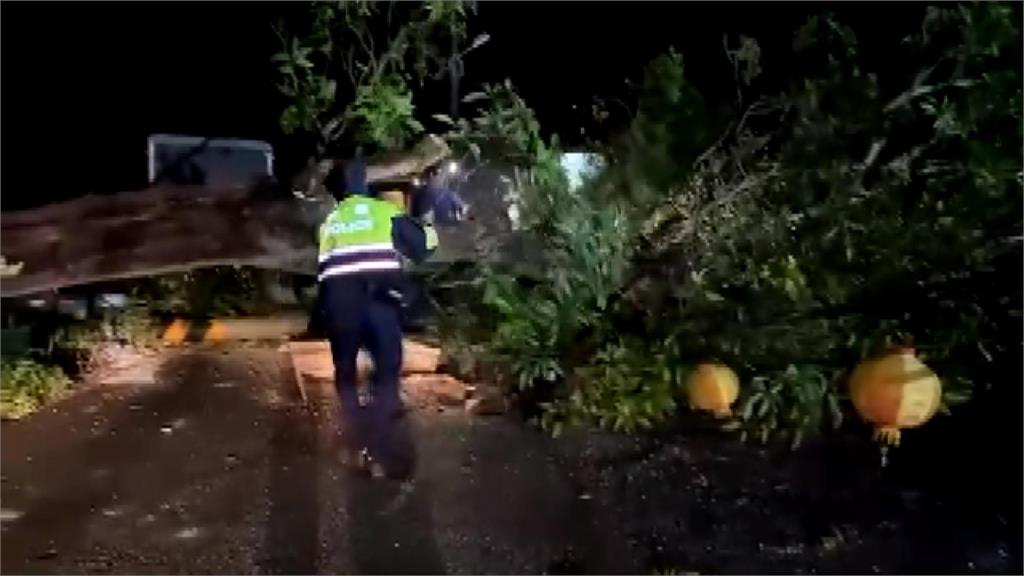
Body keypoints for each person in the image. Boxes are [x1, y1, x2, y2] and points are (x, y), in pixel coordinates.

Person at [315, 159, 438, 480]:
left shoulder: (330, 223)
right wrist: (428, 228)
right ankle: (382, 450)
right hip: (380, 302)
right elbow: (423, 247)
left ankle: (355, 441)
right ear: (365, 186)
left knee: (344, 370)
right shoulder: (383, 212)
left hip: (341, 307)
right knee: (386, 372)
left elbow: (324, 272)